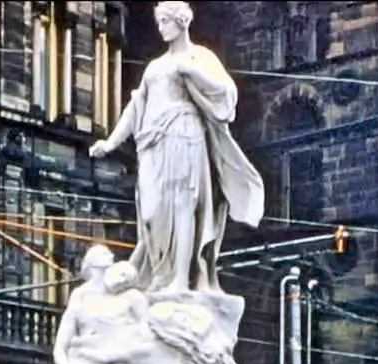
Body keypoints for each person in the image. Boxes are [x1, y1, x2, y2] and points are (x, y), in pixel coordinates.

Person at [88, 1, 262, 295]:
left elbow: (226, 93)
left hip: (184, 134)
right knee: (151, 213)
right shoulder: (155, 66)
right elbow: (135, 106)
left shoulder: (200, 57)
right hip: (151, 144)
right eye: (159, 22)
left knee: (184, 205)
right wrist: (111, 141)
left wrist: (192, 71)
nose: (161, 28)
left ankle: (180, 279)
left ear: (182, 21)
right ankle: (161, 273)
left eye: (165, 21)